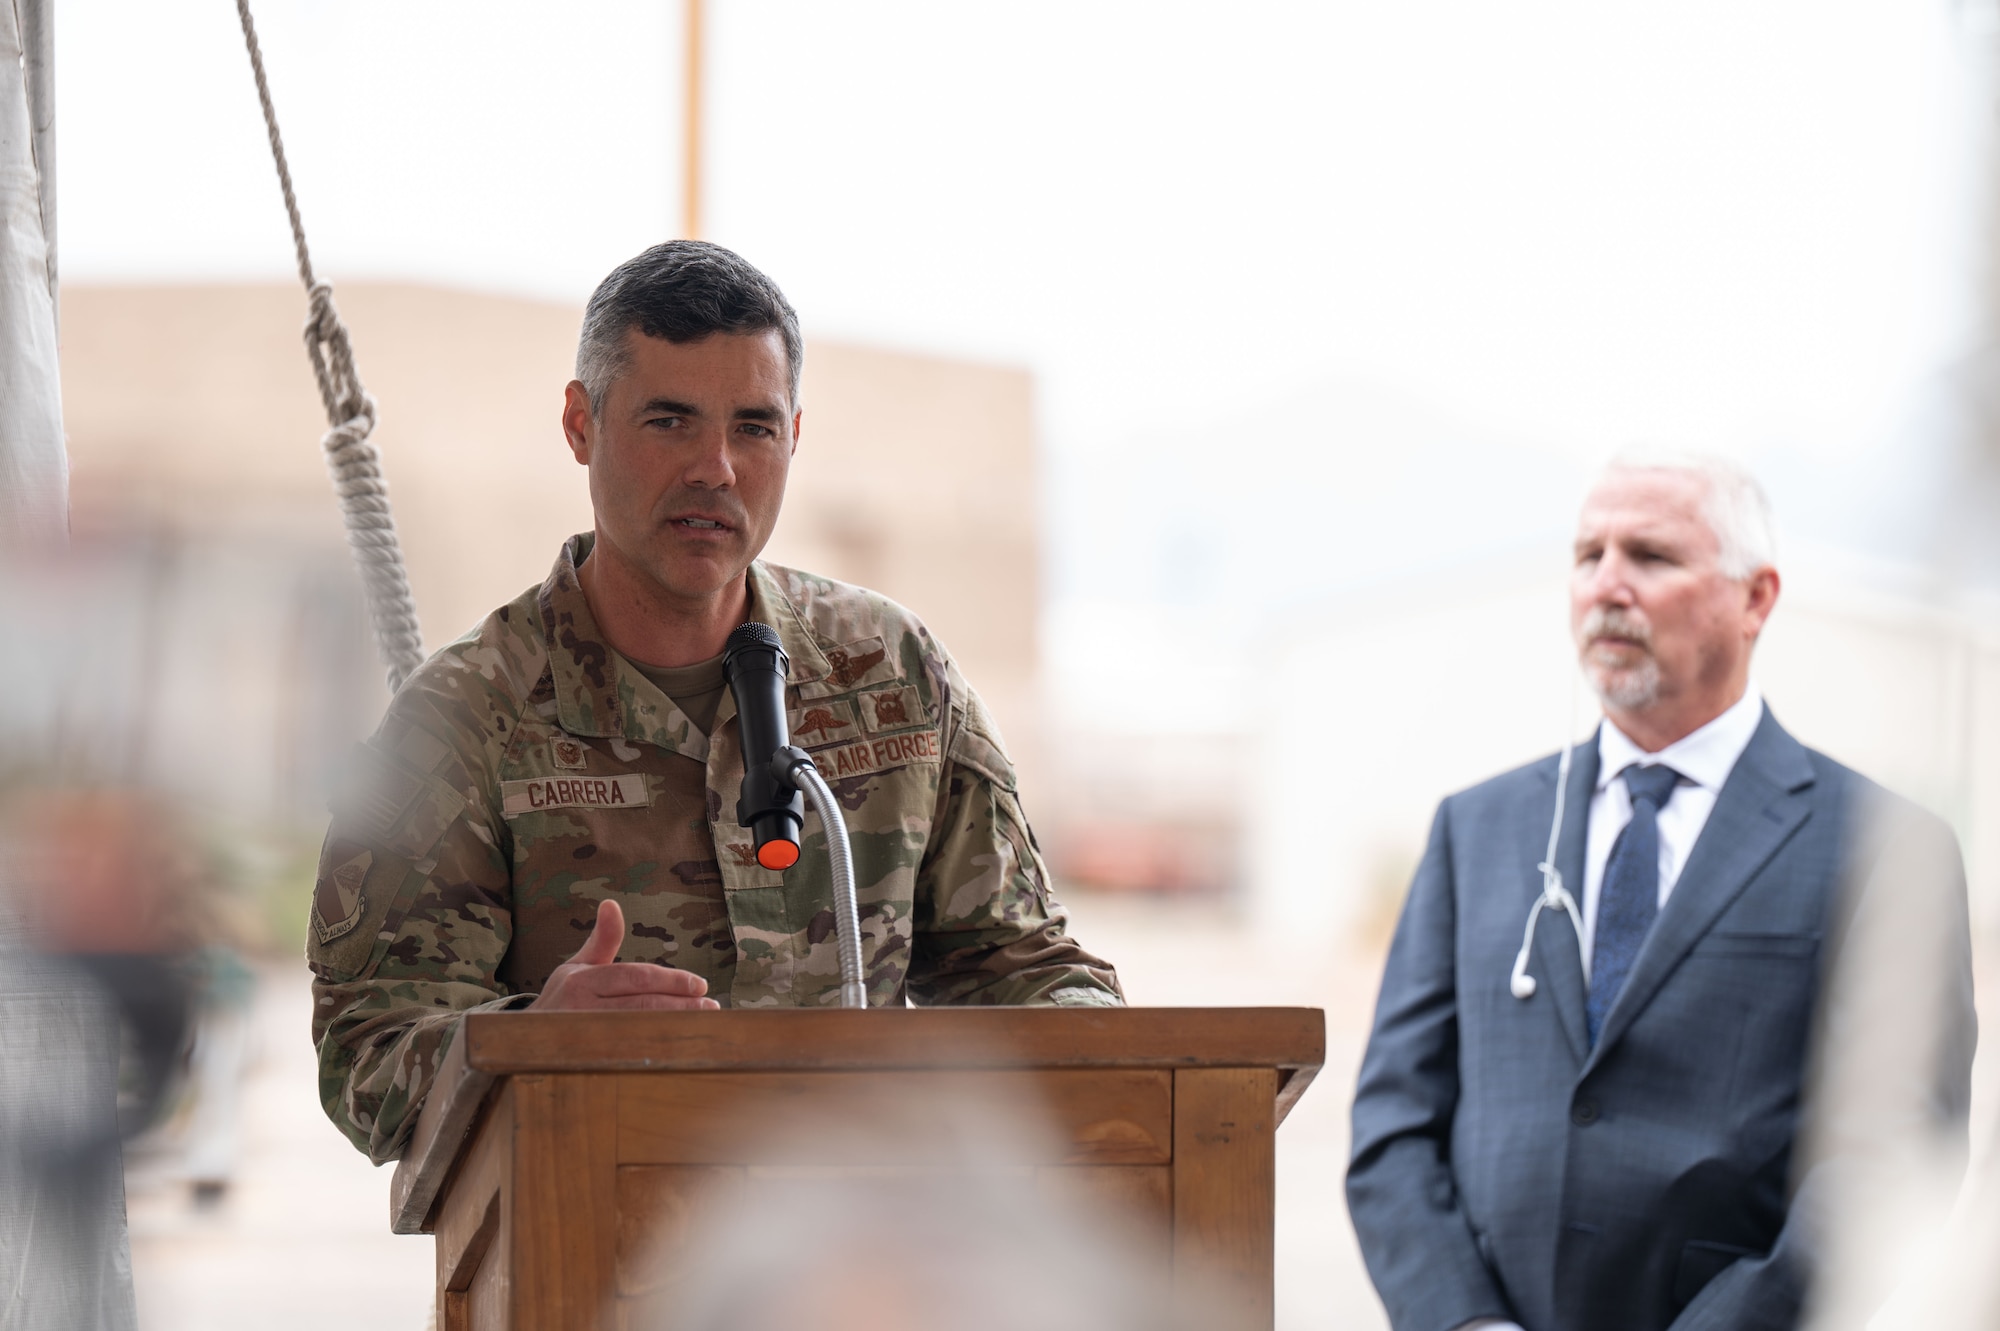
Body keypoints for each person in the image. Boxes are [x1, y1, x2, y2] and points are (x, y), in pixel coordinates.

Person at [308, 241, 1122, 1164]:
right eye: (670, 421)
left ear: (794, 437)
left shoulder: (891, 674)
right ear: (580, 424)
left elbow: (1019, 968)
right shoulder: (460, 721)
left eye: (754, 428)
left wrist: (1139, 1061)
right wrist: (530, 1042)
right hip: (587, 1234)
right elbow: (366, 1053)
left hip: (862, 1237)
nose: (717, 468)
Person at [1346, 455, 1976, 1331]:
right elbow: (1394, 1126)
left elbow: (1894, 1151)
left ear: (1756, 598)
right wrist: (1465, 1321)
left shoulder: (1883, 847)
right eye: (1587, 554)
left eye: (1650, 555)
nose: (1607, 585)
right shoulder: (1475, 829)